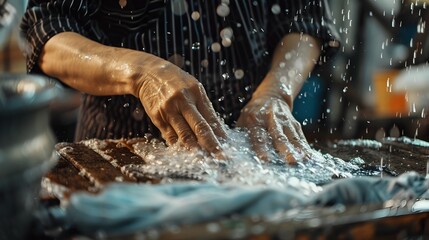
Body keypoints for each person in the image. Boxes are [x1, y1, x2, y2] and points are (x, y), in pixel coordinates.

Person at [21, 0, 340, 163]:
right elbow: (46, 34)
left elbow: (305, 21)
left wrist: (275, 92)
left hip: (252, 147)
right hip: (121, 153)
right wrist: (140, 72)